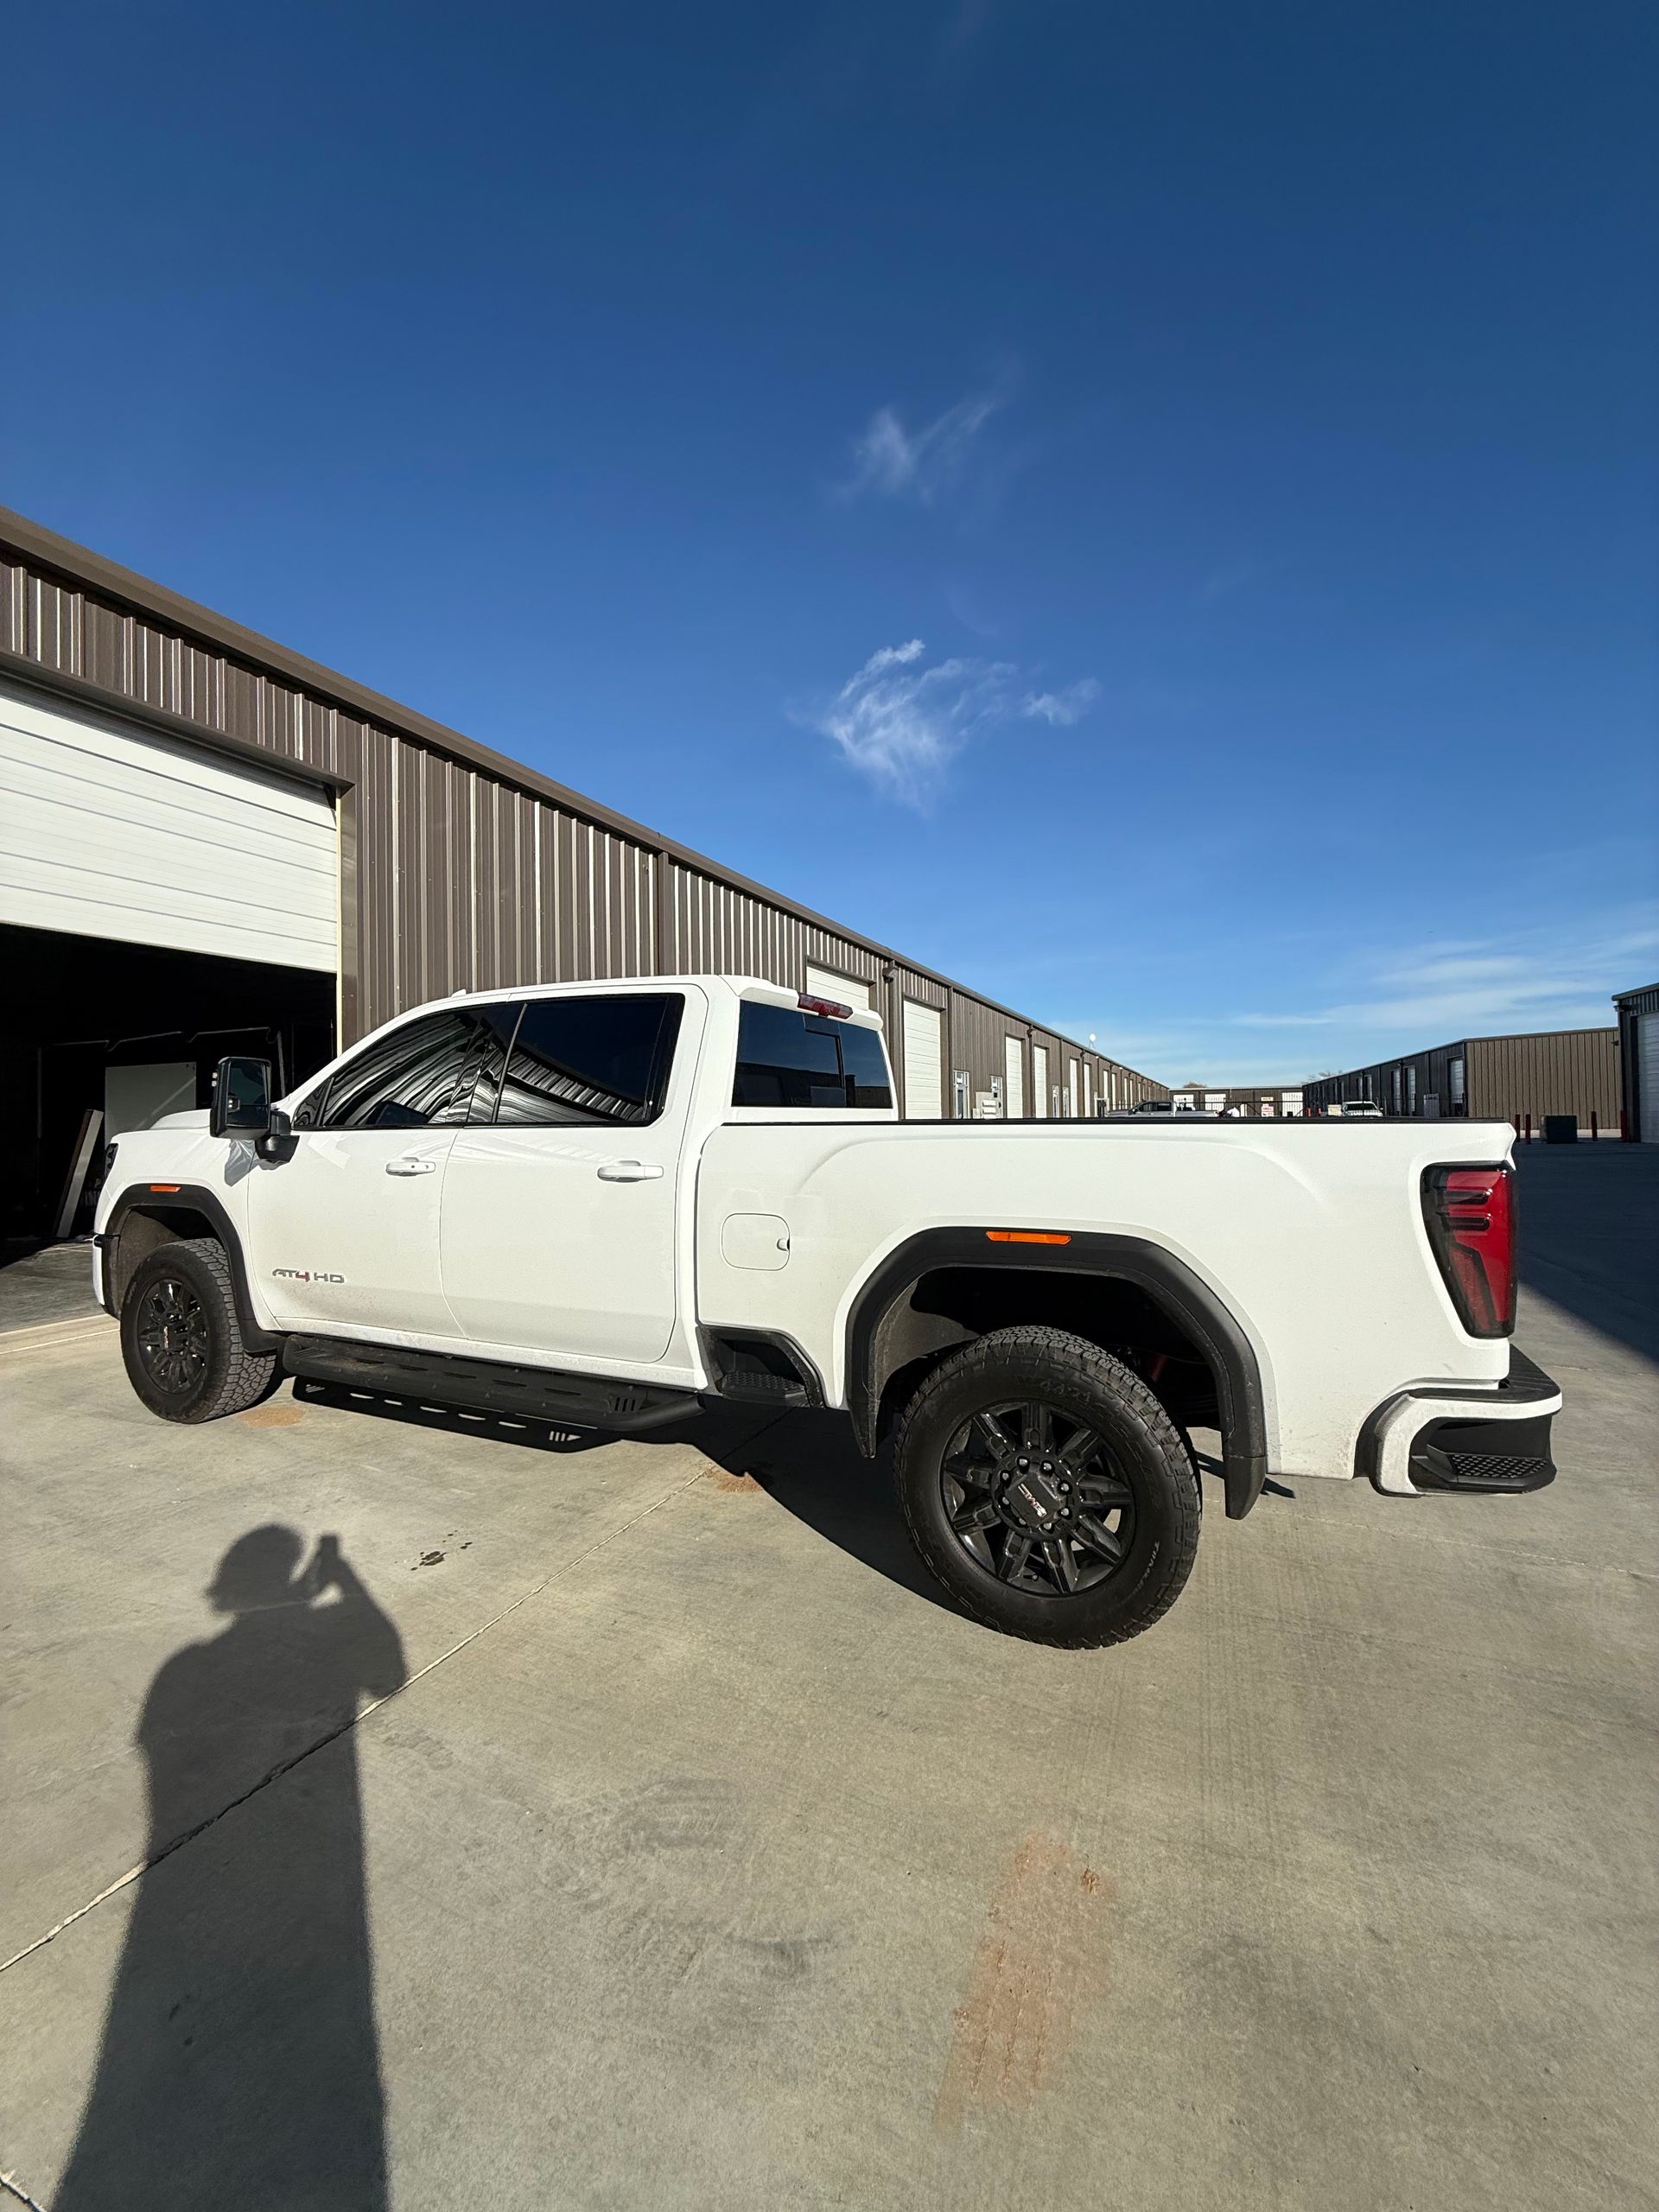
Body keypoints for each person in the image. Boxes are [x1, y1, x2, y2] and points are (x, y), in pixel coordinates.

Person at [54, 1526, 406, 2211]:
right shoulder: (301, 1637)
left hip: (172, 1905)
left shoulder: (180, 1669)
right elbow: (388, 1675)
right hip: (320, 1871)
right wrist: (346, 1581)